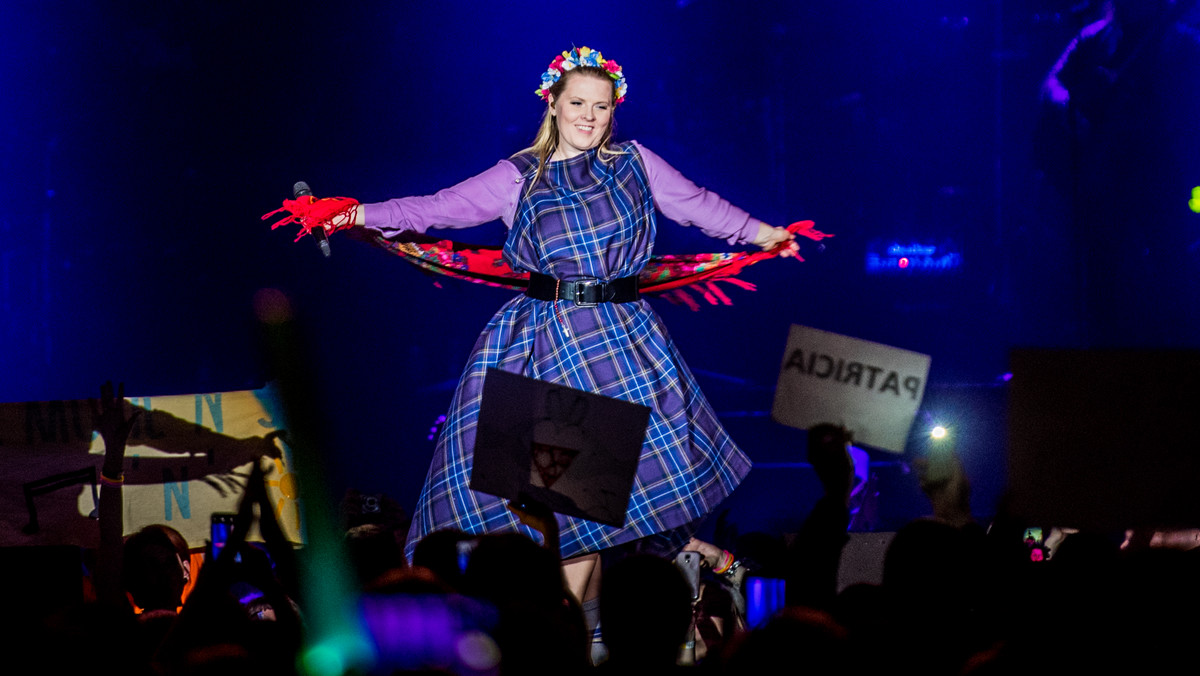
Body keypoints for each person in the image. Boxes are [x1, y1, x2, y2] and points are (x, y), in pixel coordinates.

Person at [289, 47, 809, 599]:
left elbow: (699, 205)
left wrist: (763, 233)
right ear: (553, 103)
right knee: (570, 507)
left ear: (615, 111)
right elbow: (434, 208)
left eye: (602, 107)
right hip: (547, 343)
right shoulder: (517, 175)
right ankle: (565, 629)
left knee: (600, 507)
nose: (589, 115)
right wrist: (352, 213)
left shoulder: (636, 163)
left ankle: (587, 625)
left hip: (623, 344)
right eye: (578, 102)